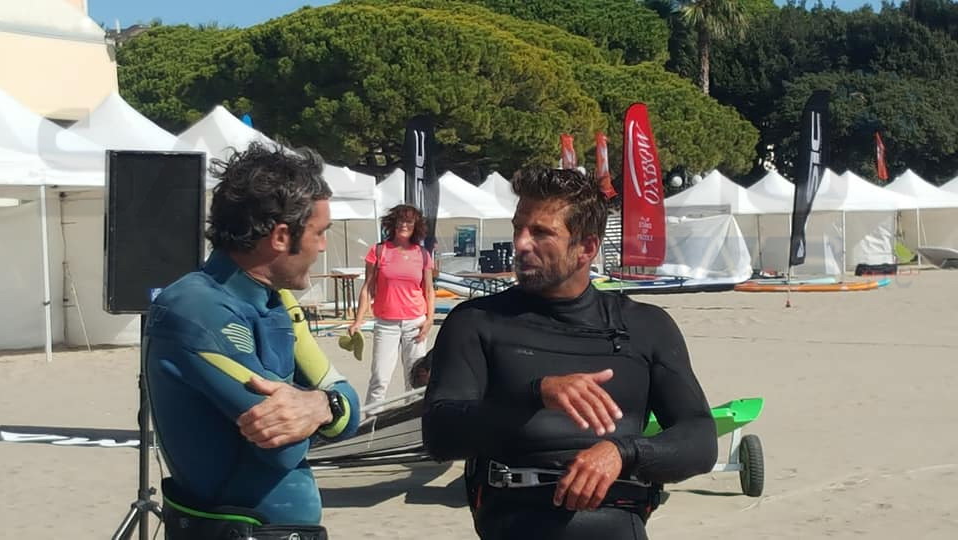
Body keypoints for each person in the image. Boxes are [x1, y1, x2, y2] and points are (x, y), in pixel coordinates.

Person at [422, 168, 718, 540]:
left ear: (587, 248)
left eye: (541, 233)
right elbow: (440, 433)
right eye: (518, 228)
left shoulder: (645, 326)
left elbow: (700, 439)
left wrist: (623, 453)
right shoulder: (477, 322)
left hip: (617, 524)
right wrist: (536, 393)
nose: (521, 244)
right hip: (517, 523)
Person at [145, 143, 361, 540]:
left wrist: (321, 405)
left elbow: (348, 404)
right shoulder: (195, 309)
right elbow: (282, 446)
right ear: (281, 236)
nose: (323, 246)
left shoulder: (277, 300)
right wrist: (325, 407)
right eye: (319, 233)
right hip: (231, 529)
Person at [348, 204, 436, 406]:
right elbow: (367, 288)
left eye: (409, 221)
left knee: (415, 380)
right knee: (379, 378)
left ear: (416, 226)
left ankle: (412, 420)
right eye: (401, 220)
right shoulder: (379, 251)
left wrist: (430, 319)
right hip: (386, 323)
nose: (404, 225)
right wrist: (358, 321)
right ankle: (371, 419)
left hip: (415, 321)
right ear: (393, 223)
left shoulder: (423, 254)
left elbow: (429, 290)